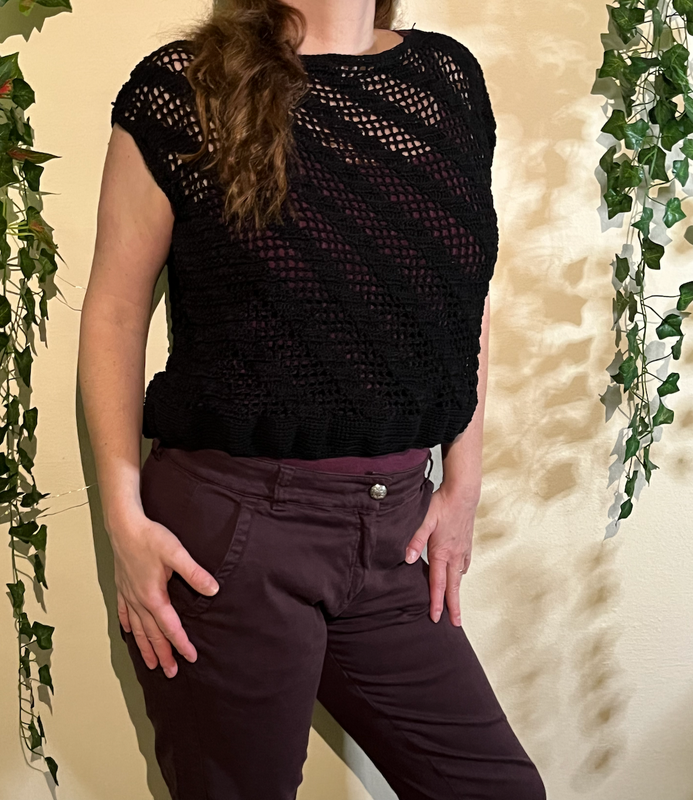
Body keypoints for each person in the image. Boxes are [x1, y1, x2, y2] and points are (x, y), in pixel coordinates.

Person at [78, 1, 546, 798]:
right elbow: (116, 312)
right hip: (233, 534)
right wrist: (123, 520)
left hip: (398, 525)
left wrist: (463, 480)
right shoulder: (187, 89)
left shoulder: (445, 80)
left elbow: (463, 297)